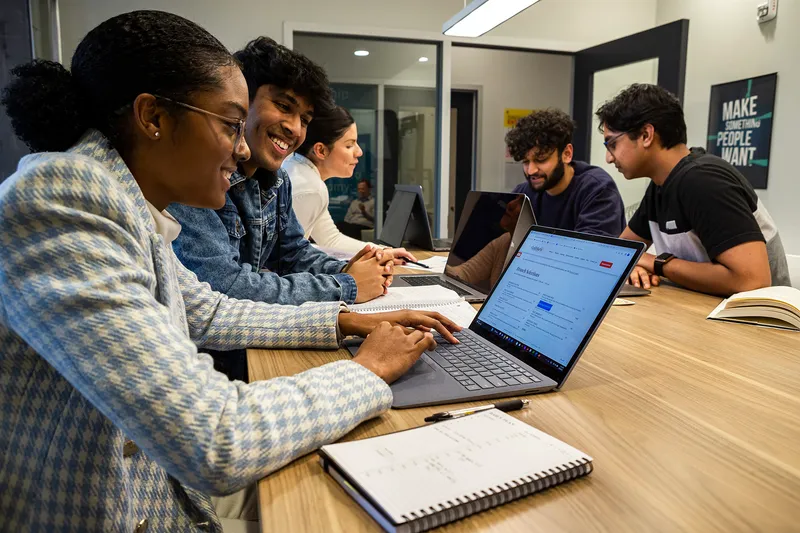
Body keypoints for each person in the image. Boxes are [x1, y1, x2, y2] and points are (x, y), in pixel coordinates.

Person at [0, 11, 460, 532]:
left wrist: (345, 320)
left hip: (159, 492)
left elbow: (209, 311)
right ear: (153, 116)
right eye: (229, 124)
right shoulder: (63, 200)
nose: (242, 148)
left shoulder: (127, 203)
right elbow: (216, 439)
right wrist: (368, 369)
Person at [169, 38, 412, 311]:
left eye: (305, 120)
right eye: (284, 106)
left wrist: (351, 269)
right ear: (241, 102)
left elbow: (292, 253)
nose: (295, 129)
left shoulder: (278, 181)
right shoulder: (202, 176)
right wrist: (347, 284)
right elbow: (224, 286)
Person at [596, 83, 790, 296]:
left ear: (646, 135)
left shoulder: (704, 180)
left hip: (757, 314)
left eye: (612, 144)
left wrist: (657, 263)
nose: (608, 158)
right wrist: (634, 266)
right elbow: (620, 252)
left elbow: (753, 281)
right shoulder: (660, 185)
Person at [505, 108, 626, 237]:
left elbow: (590, 248)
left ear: (567, 154)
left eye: (541, 159)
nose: (531, 171)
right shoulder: (523, 195)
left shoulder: (597, 189)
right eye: (525, 162)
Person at [283, 105, 385, 252]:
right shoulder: (311, 188)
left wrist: (383, 251)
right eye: (349, 145)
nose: (359, 152)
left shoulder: (299, 170)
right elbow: (287, 257)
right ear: (321, 150)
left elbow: (330, 239)